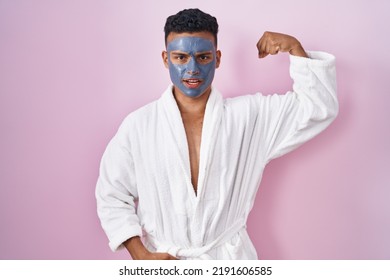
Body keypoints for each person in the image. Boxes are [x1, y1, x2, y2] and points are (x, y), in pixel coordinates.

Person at [95, 8, 338, 260]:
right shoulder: (139, 125)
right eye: (180, 57)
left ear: (217, 58)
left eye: (202, 57)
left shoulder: (249, 117)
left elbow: (317, 108)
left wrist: (295, 48)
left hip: (230, 260)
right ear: (166, 59)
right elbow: (111, 193)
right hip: (164, 261)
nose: (192, 69)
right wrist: (140, 254)